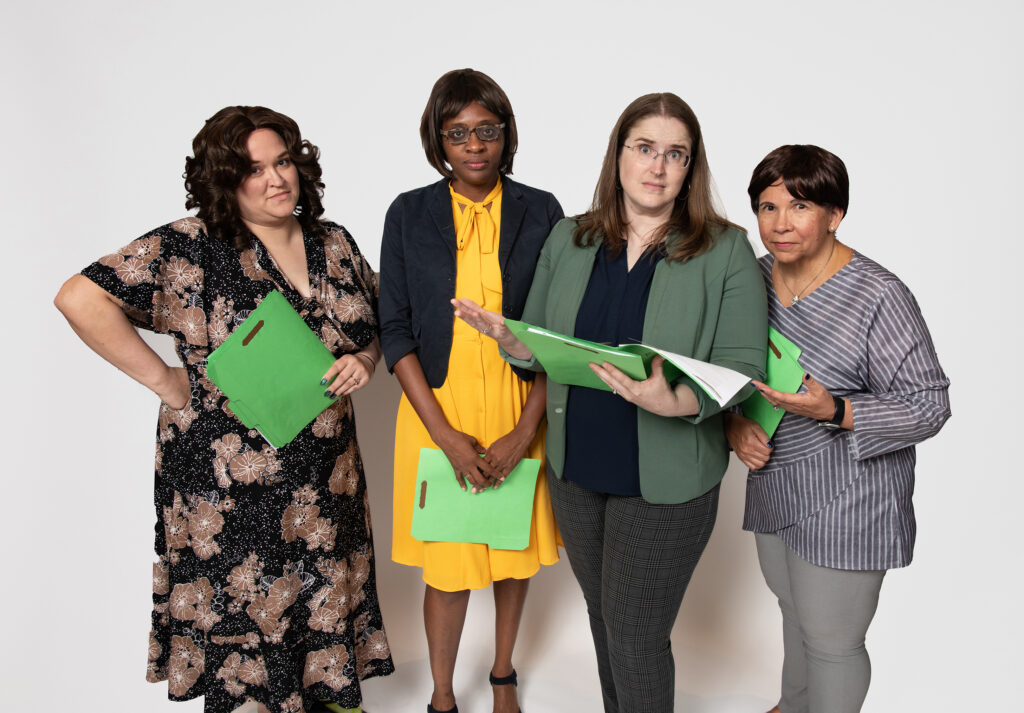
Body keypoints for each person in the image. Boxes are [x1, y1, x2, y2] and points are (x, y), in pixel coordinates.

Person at [54, 106, 394, 713]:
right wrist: (164, 379)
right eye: (253, 169)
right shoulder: (192, 247)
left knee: (318, 649)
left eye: (283, 161)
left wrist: (364, 360)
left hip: (324, 484)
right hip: (228, 491)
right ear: (225, 181)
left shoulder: (333, 241)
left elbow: (376, 325)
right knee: (245, 658)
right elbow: (79, 297)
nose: (275, 179)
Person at [454, 92, 768, 713]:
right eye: (644, 148)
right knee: (606, 624)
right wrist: (512, 340)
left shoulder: (724, 248)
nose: (657, 166)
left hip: (666, 481)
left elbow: (742, 370)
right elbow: (539, 345)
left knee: (634, 635)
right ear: (618, 155)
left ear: (691, 167)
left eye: (675, 154)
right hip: (578, 473)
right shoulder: (570, 237)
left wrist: (672, 400)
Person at [724, 144, 951, 713]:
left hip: (852, 494)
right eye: (767, 207)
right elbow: (726, 370)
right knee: (794, 614)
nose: (780, 224)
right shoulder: (750, 280)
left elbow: (929, 405)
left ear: (835, 214)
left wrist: (839, 412)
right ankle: (791, 706)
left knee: (832, 642)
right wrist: (734, 424)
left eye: (799, 207)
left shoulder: (878, 295)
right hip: (777, 480)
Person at [378, 69, 562, 713]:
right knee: (451, 563)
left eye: (487, 130)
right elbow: (394, 331)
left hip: (519, 405)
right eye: (458, 133)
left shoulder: (542, 210)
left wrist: (525, 430)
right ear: (438, 140)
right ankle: (441, 696)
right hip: (439, 407)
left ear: (506, 134)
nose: (475, 145)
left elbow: (554, 329)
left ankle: (504, 675)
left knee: (511, 553)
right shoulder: (407, 213)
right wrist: (447, 437)